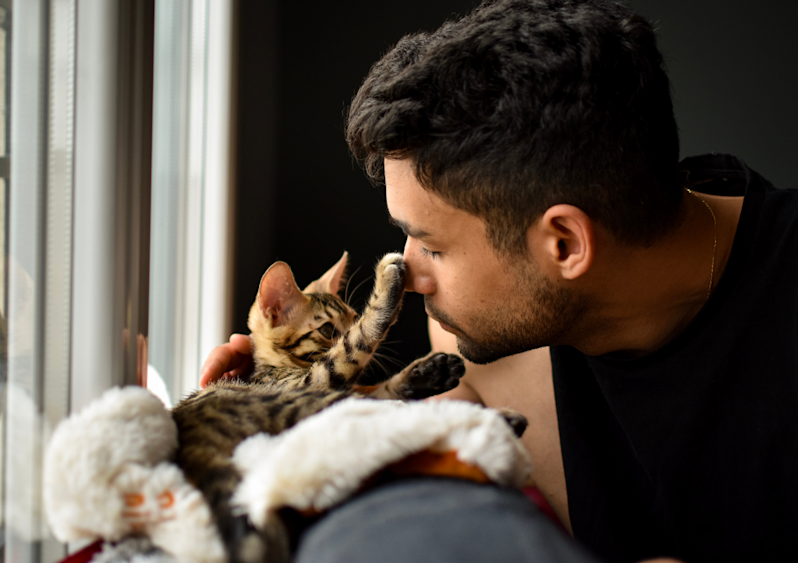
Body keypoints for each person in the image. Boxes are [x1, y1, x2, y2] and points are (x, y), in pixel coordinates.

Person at [201, 1, 798, 562]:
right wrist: (272, 418)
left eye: (432, 245)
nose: (407, 276)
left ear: (564, 243)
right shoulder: (474, 341)